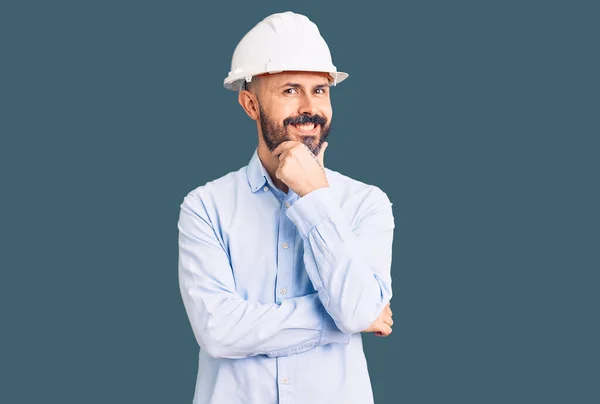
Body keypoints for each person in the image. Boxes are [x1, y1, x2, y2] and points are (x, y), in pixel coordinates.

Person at [178, 11, 395, 404]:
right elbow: (217, 330)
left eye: (320, 89)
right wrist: (339, 322)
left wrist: (314, 195)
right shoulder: (205, 207)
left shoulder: (367, 204)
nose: (310, 108)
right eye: (290, 90)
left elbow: (358, 310)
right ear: (250, 104)